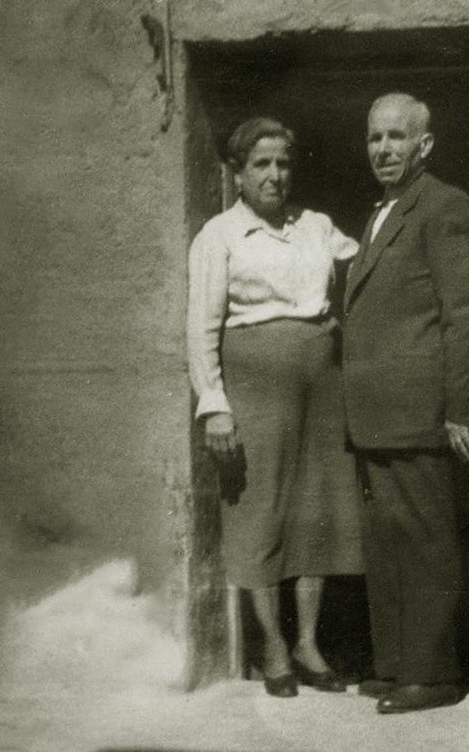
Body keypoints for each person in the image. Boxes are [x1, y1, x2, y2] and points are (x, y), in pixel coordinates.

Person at [186, 117, 363, 698]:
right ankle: (273, 646)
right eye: (261, 164)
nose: (275, 175)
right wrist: (214, 405)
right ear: (238, 174)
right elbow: (201, 327)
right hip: (254, 382)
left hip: (321, 383)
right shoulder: (219, 236)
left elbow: (367, 266)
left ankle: (310, 643)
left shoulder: (314, 226)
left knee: (316, 512)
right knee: (260, 509)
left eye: (283, 163)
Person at [341, 93, 469, 714]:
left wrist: (456, 407)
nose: (383, 150)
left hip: (420, 412)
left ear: (424, 146)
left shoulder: (444, 205)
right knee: (388, 543)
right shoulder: (383, 211)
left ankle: (433, 675)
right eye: (375, 138)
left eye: (396, 138)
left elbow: (465, 311)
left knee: (425, 543)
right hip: (375, 416)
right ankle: (398, 666)